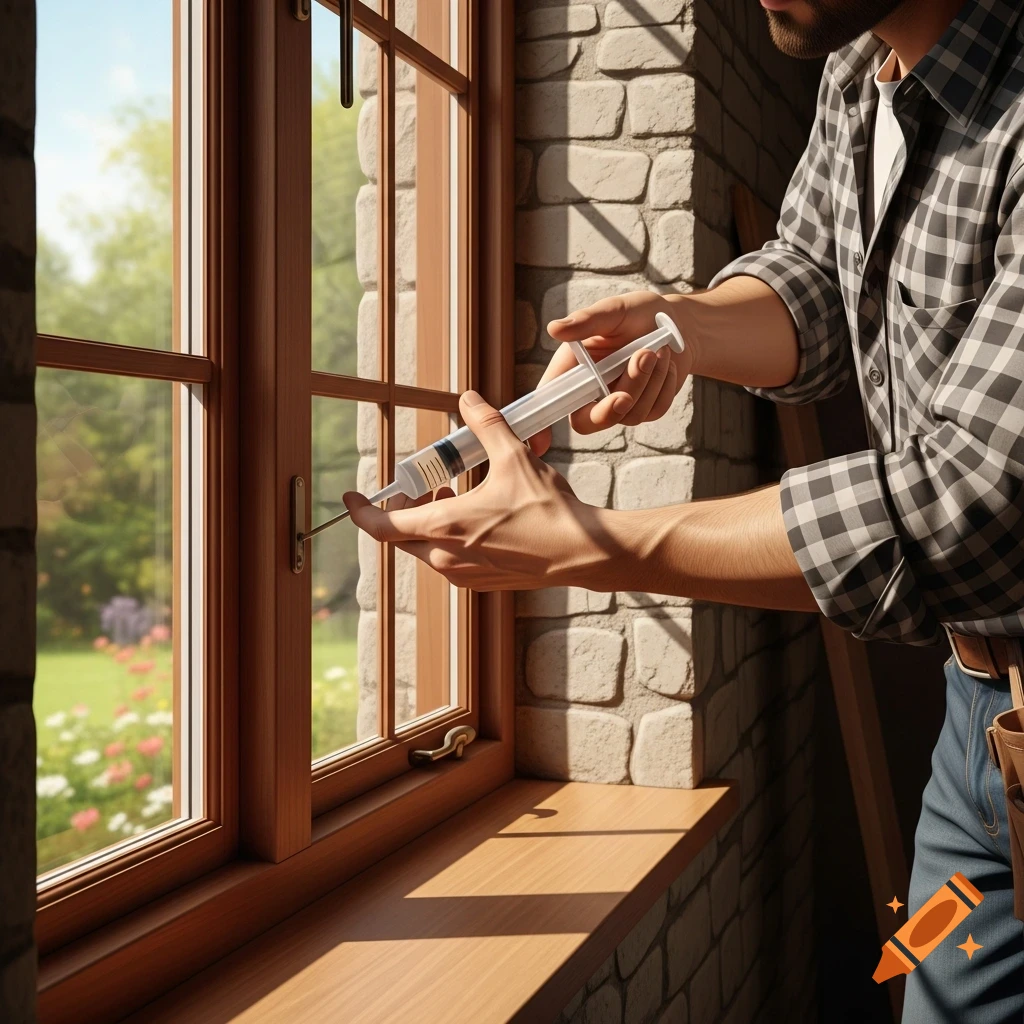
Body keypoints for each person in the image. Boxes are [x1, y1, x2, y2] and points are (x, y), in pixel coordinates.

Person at [345, 0, 1024, 1018]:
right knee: (930, 981)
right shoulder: (856, 79)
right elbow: (815, 285)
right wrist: (681, 326)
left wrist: (590, 545)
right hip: (981, 736)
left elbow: (976, 503)